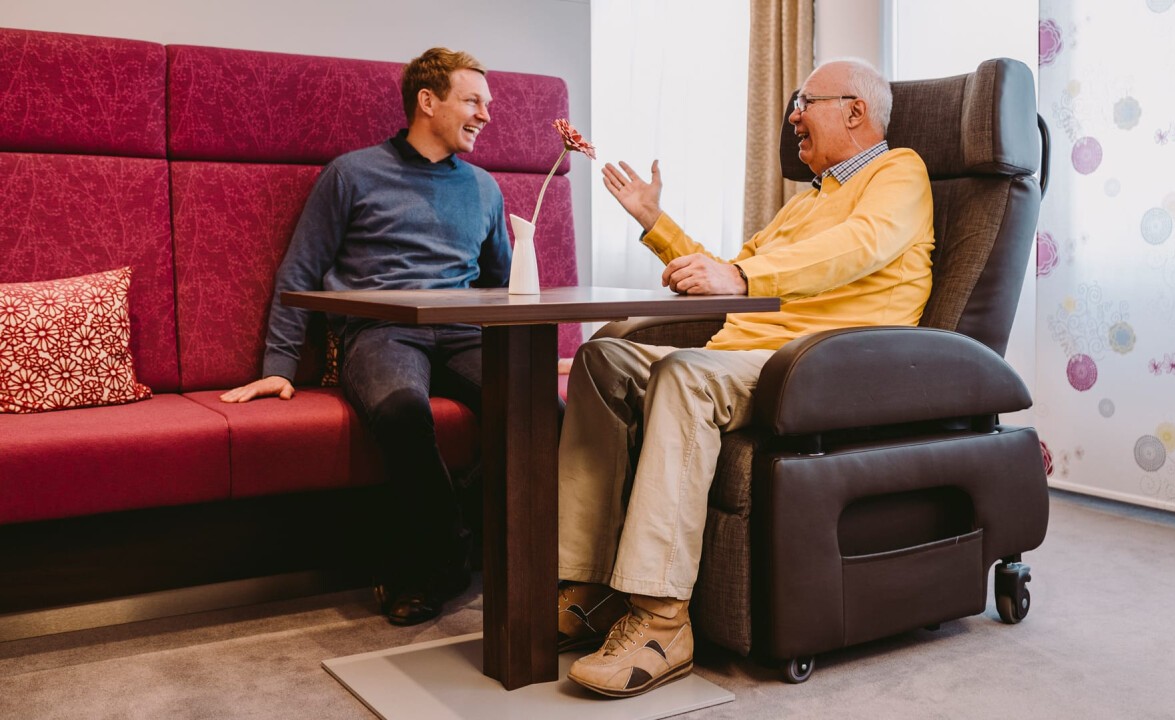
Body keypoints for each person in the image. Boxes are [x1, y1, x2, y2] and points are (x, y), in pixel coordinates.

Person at [555, 57, 935, 697]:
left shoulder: (899, 172)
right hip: (745, 355)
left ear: (855, 112)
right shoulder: (804, 204)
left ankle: (660, 620)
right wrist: (656, 224)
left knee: (683, 374)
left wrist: (746, 278)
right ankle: (587, 585)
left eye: (804, 102)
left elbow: (862, 244)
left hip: (821, 364)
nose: (792, 116)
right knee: (603, 360)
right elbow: (728, 275)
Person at [220, 48, 510, 626]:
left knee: (543, 415)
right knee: (403, 411)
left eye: (488, 104)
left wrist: (537, 353)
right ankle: (433, 563)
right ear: (428, 102)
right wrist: (278, 364)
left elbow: (502, 284)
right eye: (473, 101)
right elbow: (299, 271)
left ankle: (448, 539)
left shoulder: (484, 188)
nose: (486, 115)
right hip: (381, 334)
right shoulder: (351, 173)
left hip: (461, 331)